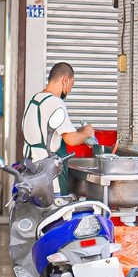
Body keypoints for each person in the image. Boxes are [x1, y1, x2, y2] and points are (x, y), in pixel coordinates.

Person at [21, 62, 95, 193]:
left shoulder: (34, 100)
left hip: (31, 170)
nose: (70, 90)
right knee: (58, 211)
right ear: (65, 80)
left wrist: (79, 133)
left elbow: (45, 132)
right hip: (50, 173)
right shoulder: (55, 103)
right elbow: (71, 140)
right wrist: (87, 132)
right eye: (71, 85)